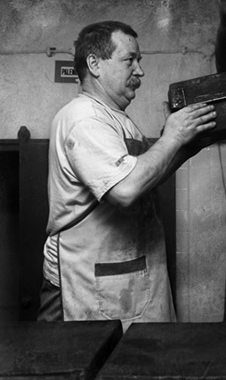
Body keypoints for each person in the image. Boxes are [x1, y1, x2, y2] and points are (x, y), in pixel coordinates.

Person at [38, 20, 216, 331]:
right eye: (129, 60)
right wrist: (173, 137)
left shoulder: (116, 118)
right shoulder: (84, 118)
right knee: (82, 356)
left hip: (123, 273)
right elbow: (125, 189)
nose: (140, 71)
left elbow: (146, 179)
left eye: (139, 60)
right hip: (87, 278)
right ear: (94, 64)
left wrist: (186, 146)